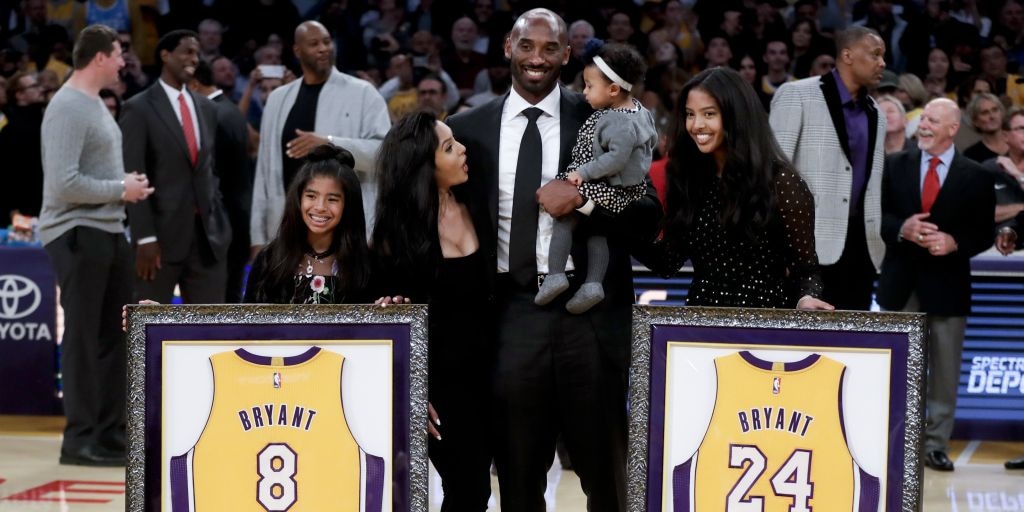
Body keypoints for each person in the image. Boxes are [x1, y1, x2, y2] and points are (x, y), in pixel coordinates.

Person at [446, 8, 662, 510]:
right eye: (527, 46)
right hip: (509, 314)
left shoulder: (603, 114)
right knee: (519, 479)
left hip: (588, 317)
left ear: (568, 54)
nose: (537, 59)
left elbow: (646, 211)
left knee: (608, 477)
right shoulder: (466, 129)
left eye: (550, 48)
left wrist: (584, 201)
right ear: (507, 47)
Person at [39, 23, 153, 466]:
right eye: (119, 53)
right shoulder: (67, 106)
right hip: (77, 231)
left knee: (111, 338)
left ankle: (108, 433)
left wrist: (123, 190)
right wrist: (119, 188)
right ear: (100, 57)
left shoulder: (92, 105)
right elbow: (64, 184)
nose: (125, 61)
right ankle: (81, 438)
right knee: (85, 340)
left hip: (106, 230)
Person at [371, 112, 492, 510]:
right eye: (448, 147)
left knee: (476, 490)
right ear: (424, 165)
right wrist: (410, 390)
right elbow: (386, 325)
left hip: (492, 375)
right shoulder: (394, 235)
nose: (462, 150)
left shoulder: (479, 201)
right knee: (467, 489)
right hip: (438, 388)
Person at [634, 67, 832, 310]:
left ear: (736, 116)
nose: (696, 125)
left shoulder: (782, 182)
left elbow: (806, 271)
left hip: (763, 324)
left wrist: (807, 298)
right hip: (700, 323)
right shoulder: (689, 179)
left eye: (708, 114)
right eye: (689, 114)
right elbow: (667, 262)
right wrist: (617, 216)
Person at [878, 98, 995, 472]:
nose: (923, 125)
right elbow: (875, 218)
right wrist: (902, 228)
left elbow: (983, 232)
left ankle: (934, 445)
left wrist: (955, 242)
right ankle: (892, 442)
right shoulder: (894, 165)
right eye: (923, 119)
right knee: (896, 369)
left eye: (933, 120)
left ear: (952, 128)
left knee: (944, 373)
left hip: (948, 286)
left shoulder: (975, 174)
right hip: (900, 283)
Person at [770, 26, 887, 310]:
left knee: (850, 349)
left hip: (861, 249)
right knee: (804, 348)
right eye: (875, 55)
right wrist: (779, 250)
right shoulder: (797, 94)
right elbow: (771, 174)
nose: (882, 63)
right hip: (806, 248)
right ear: (847, 55)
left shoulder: (876, 112)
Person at [536, 41, 656, 314]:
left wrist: (583, 173)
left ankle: (555, 274)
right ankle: (592, 284)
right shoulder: (637, 111)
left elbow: (615, 158)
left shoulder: (618, 122)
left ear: (613, 90)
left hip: (608, 188)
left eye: (589, 86)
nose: (584, 92)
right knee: (596, 231)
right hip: (619, 189)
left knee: (564, 216)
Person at [251, 20, 390, 250]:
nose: (323, 48)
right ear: (297, 50)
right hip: (287, 229)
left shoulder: (363, 92)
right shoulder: (277, 99)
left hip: (347, 230)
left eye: (326, 42)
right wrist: (257, 236)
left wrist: (330, 143)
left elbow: (385, 154)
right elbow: (264, 175)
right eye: (314, 43)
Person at [120, 29, 231, 304]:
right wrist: (144, 238)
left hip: (208, 239)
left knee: (210, 334)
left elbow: (209, 171)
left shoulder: (207, 108)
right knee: (146, 331)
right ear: (165, 55)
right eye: (187, 51)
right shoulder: (138, 107)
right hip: (158, 241)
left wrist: (220, 224)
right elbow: (133, 176)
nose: (194, 58)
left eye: (196, 52)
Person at [245, 145, 371, 304]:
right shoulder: (269, 259)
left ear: (348, 205)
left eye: (332, 199)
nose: (320, 207)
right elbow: (248, 325)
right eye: (311, 196)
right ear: (298, 199)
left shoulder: (366, 265)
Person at [189, 59, 253, 303]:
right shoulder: (231, 109)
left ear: (194, 85)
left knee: (221, 301)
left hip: (222, 224)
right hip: (238, 217)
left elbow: (211, 177)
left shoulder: (213, 114)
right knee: (231, 296)